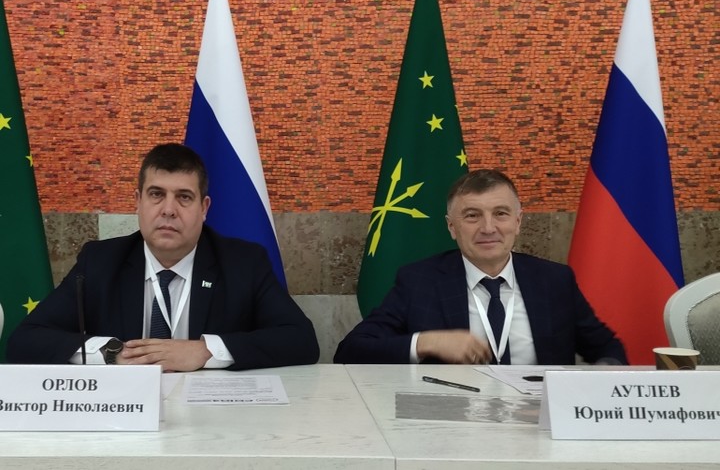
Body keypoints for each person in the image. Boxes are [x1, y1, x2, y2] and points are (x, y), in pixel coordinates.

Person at [7, 143, 319, 371]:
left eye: (184, 197)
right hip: (125, 415)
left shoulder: (243, 263)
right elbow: (24, 340)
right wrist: (112, 352)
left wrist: (205, 351)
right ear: (138, 202)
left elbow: (301, 340)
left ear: (204, 209)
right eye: (156, 194)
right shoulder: (100, 261)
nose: (168, 210)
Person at [334, 169, 627, 366]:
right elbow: (351, 351)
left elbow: (607, 348)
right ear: (452, 227)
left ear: (518, 222)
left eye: (500, 214)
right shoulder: (419, 281)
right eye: (472, 216)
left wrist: (603, 376)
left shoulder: (554, 280)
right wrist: (425, 342)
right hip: (455, 423)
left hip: (538, 421)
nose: (488, 228)